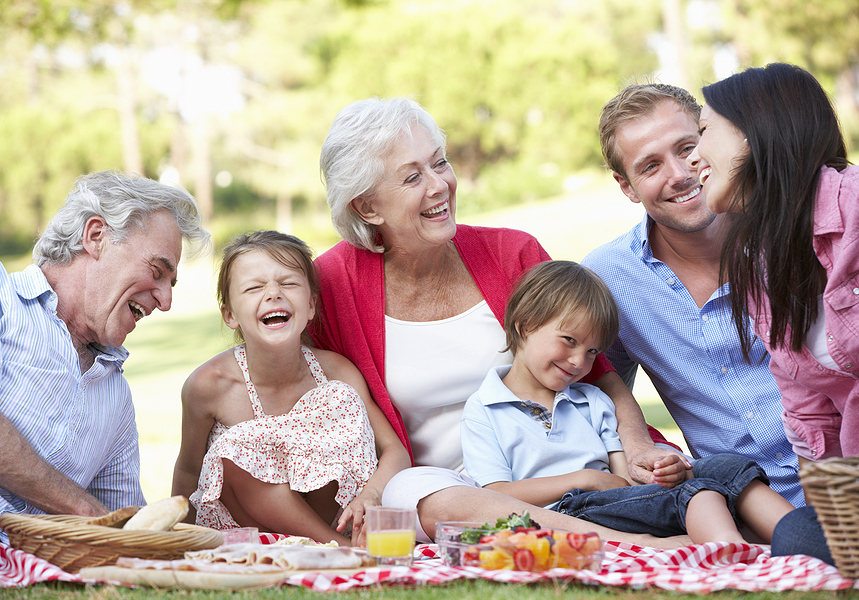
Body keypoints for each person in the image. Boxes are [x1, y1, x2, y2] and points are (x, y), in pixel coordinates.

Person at [309, 96, 687, 548]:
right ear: (367, 207)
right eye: (413, 177)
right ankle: (630, 544)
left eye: (439, 163)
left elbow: (599, 374)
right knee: (423, 494)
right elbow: (298, 388)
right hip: (443, 487)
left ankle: (615, 531)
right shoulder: (331, 285)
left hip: (553, 469)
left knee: (699, 477)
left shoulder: (512, 254)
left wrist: (637, 445)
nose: (440, 185)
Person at [581, 83, 804, 507]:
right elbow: (597, 386)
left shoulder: (790, 230)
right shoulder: (609, 278)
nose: (680, 173)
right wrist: (641, 446)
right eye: (650, 166)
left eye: (686, 147)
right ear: (626, 186)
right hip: (739, 504)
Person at [461, 260, 795, 543]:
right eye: (569, 341)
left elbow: (625, 479)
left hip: (616, 502)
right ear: (524, 325)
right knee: (698, 493)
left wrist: (663, 473)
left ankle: (806, 541)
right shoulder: (484, 409)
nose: (579, 361)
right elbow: (495, 493)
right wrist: (584, 479)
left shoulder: (592, 400)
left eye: (592, 351)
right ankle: (739, 564)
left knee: (725, 467)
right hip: (564, 514)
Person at [0, 170, 210, 541]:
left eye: (170, 284)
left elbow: (122, 524)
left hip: (13, 550)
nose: (166, 300)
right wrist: (84, 510)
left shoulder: (116, 399)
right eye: (157, 271)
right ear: (96, 237)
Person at [689, 62, 856, 563]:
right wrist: (838, 512)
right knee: (799, 536)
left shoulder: (852, 204)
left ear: (755, 128)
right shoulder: (762, 267)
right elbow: (809, 410)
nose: (695, 155)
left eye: (703, 132)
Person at [172, 231, 409, 546]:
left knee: (338, 399)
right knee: (233, 452)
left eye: (288, 283)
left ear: (311, 305)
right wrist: (176, 542)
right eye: (254, 287)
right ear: (229, 315)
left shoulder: (336, 372)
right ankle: (338, 550)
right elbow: (188, 470)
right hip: (253, 533)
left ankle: (336, 543)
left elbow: (395, 451)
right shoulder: (209, 385)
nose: (273, 294)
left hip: (335, 519)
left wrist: (372, 494)